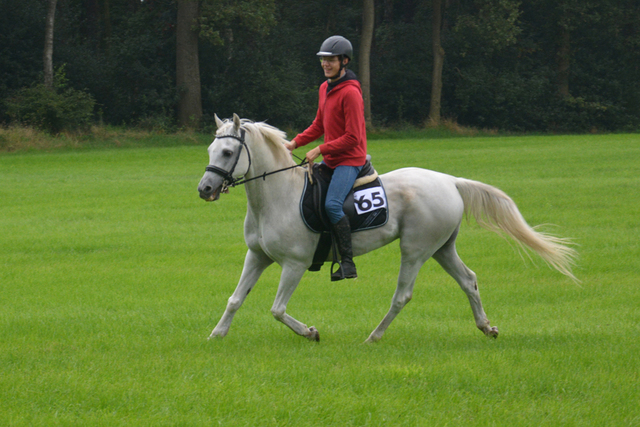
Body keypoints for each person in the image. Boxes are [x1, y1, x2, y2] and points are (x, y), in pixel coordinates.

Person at [284, 35, 367, 281]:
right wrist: (294, 143)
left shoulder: (351, 93)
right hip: (332, 159)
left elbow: (353, 137)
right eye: (323, 60)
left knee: (332, 205)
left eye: (331, 60)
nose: (325, 64)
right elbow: (319, 124)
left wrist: (320, 149)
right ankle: (318, 253)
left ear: (344, 61)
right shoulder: (325, 88)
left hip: (350, 160)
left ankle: (348, 263)